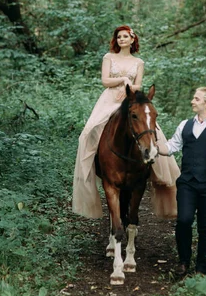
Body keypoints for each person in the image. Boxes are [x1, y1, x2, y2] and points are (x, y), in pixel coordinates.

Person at [72, 25, 180, 219]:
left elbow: (138, 84)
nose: (121, 39)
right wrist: (122, 80)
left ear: (132, 40)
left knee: (153, 130)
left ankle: (156, 169)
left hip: (131, 98)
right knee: (88, 132)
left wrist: (130, 88)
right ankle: (90, 170)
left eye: (125, 36)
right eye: (118, 37)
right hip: (110, 99)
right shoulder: (108, 57)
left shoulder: (139, 62)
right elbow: (105, 81)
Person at [157, 87, 206, 276]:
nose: (192, 101)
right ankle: (183, 262)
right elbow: (170, 147)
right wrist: (151, 145)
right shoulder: (185, 125)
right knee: (183, 221)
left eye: (196, 99)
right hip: (187, 183)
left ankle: (202, 269)